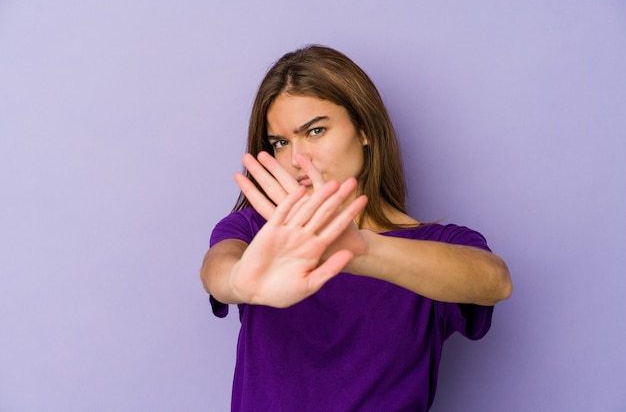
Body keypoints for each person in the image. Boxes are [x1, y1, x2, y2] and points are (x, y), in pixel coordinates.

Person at [200, 45, 512, 411]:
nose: (297, 160)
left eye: (315, 131)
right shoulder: (261, 231)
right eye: (281, 143)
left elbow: (495, 281)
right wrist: (237, 282)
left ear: (364, 129)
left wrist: (360, 249)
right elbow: (218, 267)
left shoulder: (436, 244)